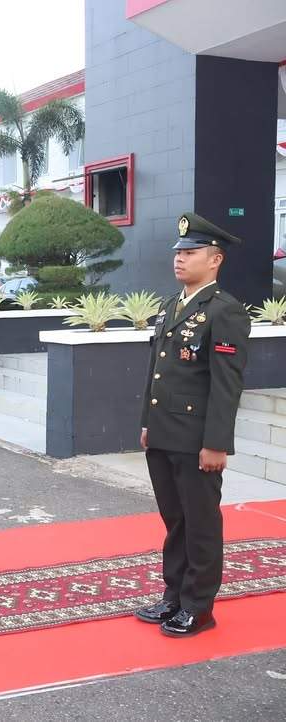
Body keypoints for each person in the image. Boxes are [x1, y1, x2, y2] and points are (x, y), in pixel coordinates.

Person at [134, 213, 249, 638]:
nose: (179, 259)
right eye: (178, 252)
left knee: (200, 524)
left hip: (197, 438)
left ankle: (198, 608)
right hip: (164, 432)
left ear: (215, 259)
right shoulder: (171, 305)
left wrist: (216, 443)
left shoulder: (225, 311)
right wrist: (147, 422)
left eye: (191, 252)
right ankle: (174, 596)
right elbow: (157, 371)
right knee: (175, 521)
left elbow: (226, 384)